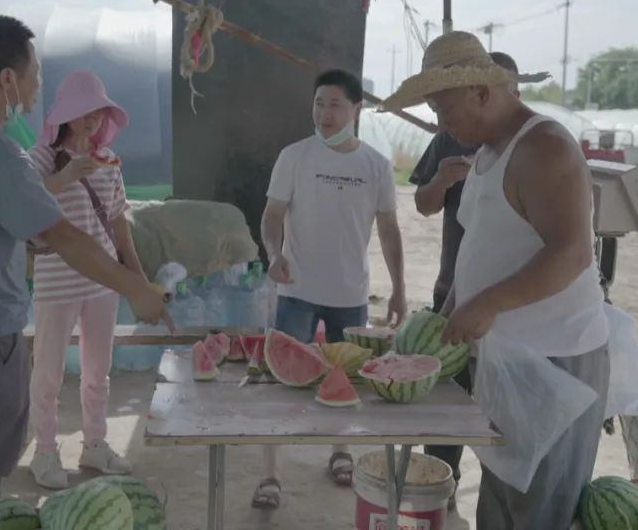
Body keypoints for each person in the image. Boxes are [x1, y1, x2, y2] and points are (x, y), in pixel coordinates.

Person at [0, 15, 168, 515]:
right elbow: (62, 235)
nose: (37, 84)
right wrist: (135, 288)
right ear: (7, 78)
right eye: (34, 72)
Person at [383, 31, 610, 528]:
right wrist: (448, 312)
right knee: (503, 499)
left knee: (540, 506)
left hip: (557, 360)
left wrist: (486, 305)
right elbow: (483, 244)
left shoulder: (544, 146)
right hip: (508, 360)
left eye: (443, 110)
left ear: (481, 93)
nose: (439, 123)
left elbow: (571, 254)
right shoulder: (485, 152)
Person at [255, 69, 406, 509]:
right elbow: (272, 214)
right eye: (319, 103)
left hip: (350, 295)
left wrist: (398, 288)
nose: (325, 113)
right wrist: (273, 252)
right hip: (296, 290)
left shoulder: (375, 165)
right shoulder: (294, 156)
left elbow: (390, 230)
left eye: (335, 104)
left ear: (357, 109)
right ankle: (270, 474)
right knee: (279, 384)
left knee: (346, 382)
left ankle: (341, 452)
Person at [27, 70, 150, 489]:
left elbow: (118, 222)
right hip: (56, 278)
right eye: (86, 110)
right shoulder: (41, 157)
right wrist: (66, 178)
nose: (94, 119)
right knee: (48, 371)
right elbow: (23, 209)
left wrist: (137, 278)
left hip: (101, 282)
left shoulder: (110, 163)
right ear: (67, 114)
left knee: (99, 370)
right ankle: (44, 452)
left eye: (100, 110)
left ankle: (95, 444)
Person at [409, 51, 520, 510]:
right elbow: (423, 203)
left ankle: (494, 498)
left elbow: (569, 252)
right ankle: (441, 492)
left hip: (508, 314)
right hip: (452, 296)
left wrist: (492, 304)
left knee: (505, 430)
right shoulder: (449, 141)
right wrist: (441, 180)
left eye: (512, 92)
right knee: (444, 412)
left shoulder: (533, 144)